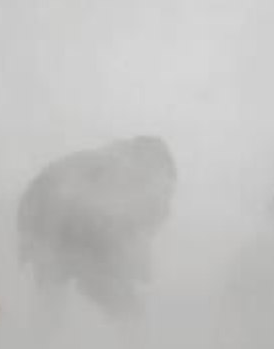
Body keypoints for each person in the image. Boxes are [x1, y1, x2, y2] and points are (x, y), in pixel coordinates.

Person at [17, 136, 176, 327]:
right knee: (129, 311)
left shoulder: (110, 171)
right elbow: (110, 233)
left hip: (47, 224)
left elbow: (127, 235)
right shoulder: (117, 176)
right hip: (58, 229)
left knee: (50, 299)